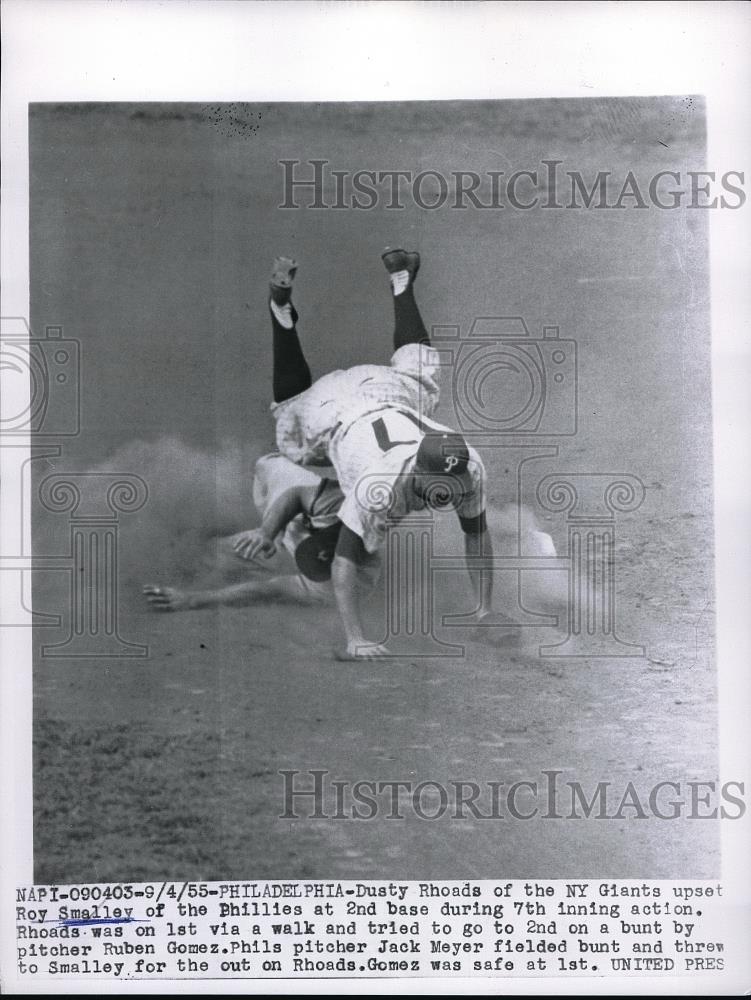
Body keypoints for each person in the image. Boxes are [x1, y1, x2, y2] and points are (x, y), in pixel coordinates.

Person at [267, 248, 494, 660]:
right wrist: (356, 638)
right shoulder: (379, 489)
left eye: (452, 485)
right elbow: (344, 562)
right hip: (335, 411)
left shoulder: (470, 468)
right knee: (292, 412)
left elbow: (477, 535)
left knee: (419, 370)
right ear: (416, 473)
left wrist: (484, 611)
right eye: (438, 487)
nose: (446, 495)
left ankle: (402, 278)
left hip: (388, 393)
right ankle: (280, 315)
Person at [143, 452, 349, 612]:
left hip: (296, 551)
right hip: (299, 512)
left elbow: (265, 590)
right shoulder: (344, 503)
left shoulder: (336, 589)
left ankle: (266, 553)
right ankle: (270, 535)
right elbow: (294, 495)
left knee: (206, 556)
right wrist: (267, 532)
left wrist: (192, 599)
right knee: (267, 464)